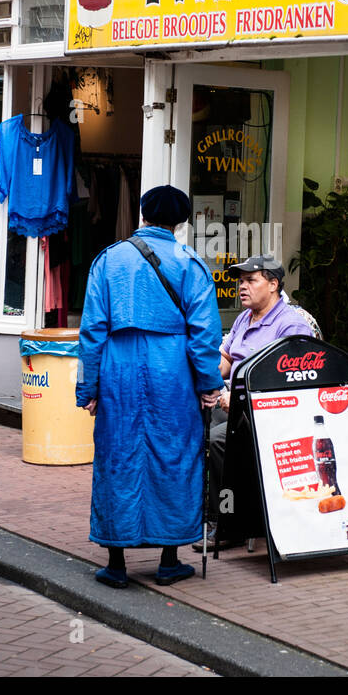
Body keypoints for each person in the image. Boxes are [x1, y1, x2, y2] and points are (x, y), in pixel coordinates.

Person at [76, 185, 223, 588]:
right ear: (182, 221)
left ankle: (116, 563)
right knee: (175, 455)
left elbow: (91, 332)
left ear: (141, 214)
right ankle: (169, 559)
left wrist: (88, 389)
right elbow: (205, 334)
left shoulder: (108, 260)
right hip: (171, 370)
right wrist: (209, 383)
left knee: (116, 455)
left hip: (119, 367)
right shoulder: (191, 264)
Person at [196, 254, 315, 551]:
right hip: (235, 407)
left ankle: (227, 521)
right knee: (194, 426)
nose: (242, 287)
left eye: (251, 280)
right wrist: (204, 379)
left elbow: (290, 384)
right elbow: (225, 358)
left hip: (271, 416)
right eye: (240, 281)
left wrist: (237, 398)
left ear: (273, 284)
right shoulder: (243, 318)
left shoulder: (291, 326)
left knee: (219, 439)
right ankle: (198, 512)